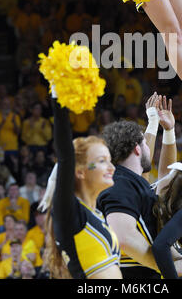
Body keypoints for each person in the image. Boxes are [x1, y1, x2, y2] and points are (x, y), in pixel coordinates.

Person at [97, 94, 182, 279]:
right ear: (138, 149)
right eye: (145, 144)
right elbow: (124, 238)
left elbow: (166, 174)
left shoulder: (130, 182)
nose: (150, 147)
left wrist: (165, 127)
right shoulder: (119, 183)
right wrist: (168, 268)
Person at [38, 87, 122, 279]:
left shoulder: (97, 213)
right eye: (102, 161)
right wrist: (58, 98)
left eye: (110, 160)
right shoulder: (69, 211)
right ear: (80, 172)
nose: (111, 167)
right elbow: (66, 155)